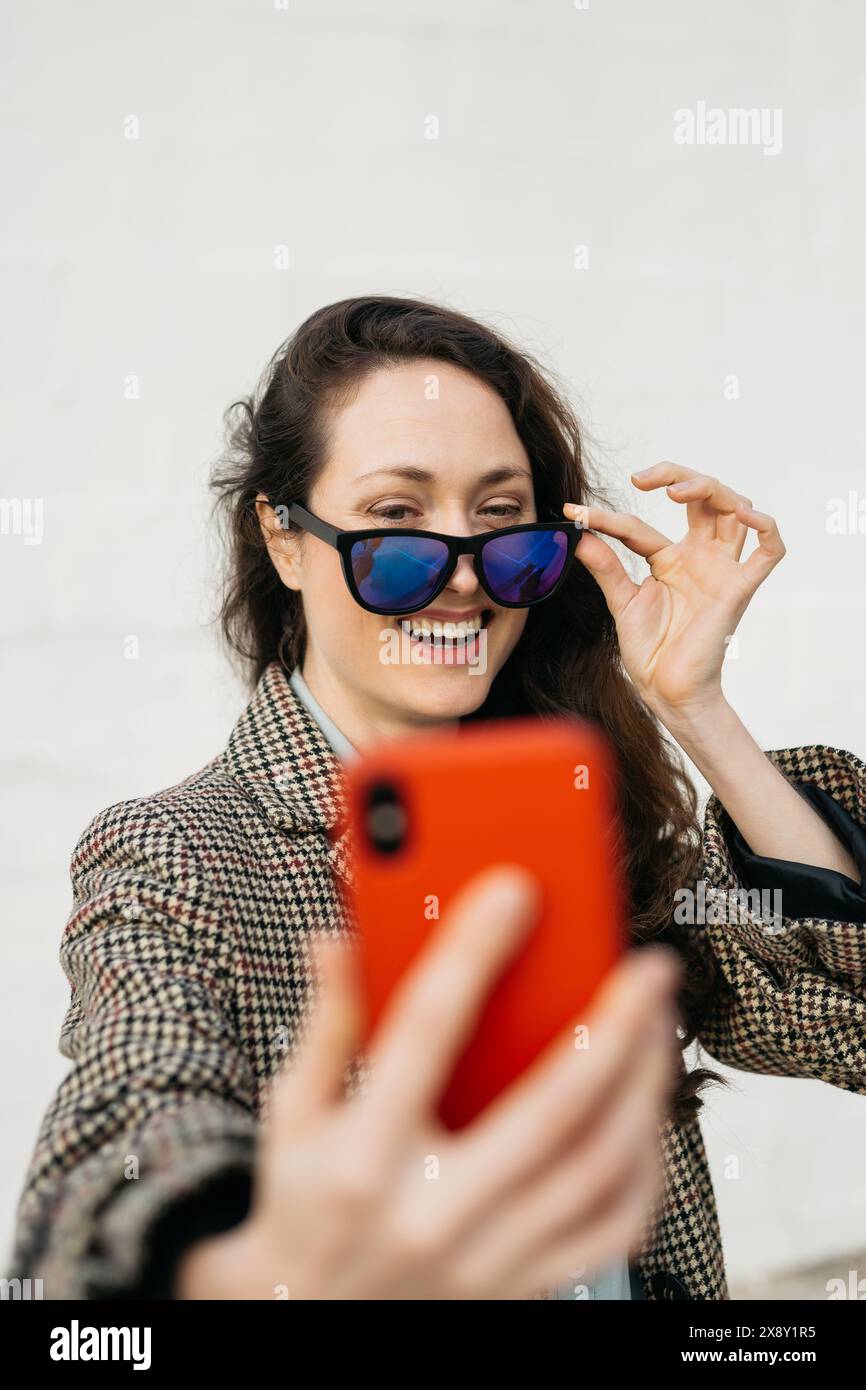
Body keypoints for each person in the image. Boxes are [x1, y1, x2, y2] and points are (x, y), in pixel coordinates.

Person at [7, 296, 866, 1301]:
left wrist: (696, 711)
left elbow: (843, 1023)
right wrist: (234, 1266)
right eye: (396, 520)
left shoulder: (578, 815)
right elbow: (124, 1140)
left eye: (500, 520)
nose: (463, 578)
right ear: (284, 539)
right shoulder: (177, 855)